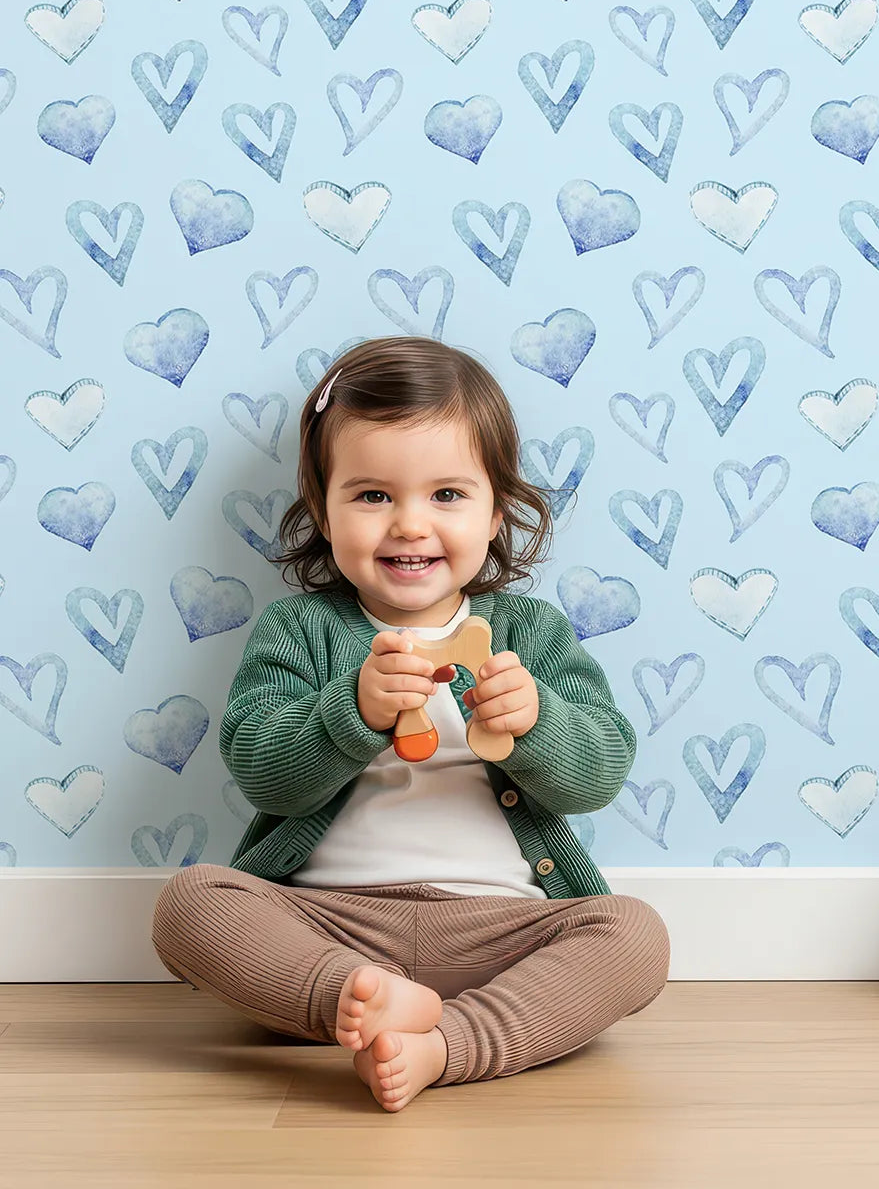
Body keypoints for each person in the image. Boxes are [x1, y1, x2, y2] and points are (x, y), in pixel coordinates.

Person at [151, 335, 670, 1112]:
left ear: (496, 513)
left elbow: (599, 774)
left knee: (634, 933)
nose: (409, 525)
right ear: (323, 511)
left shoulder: (531, 632)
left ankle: (448, 1042)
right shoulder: (299, 630)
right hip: (330, 924)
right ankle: (351, 998)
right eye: (372, 496)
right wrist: (350, 713)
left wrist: (539, 723)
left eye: (447, 495)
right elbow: (262, 772)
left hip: (501, 931)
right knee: (190, 903)